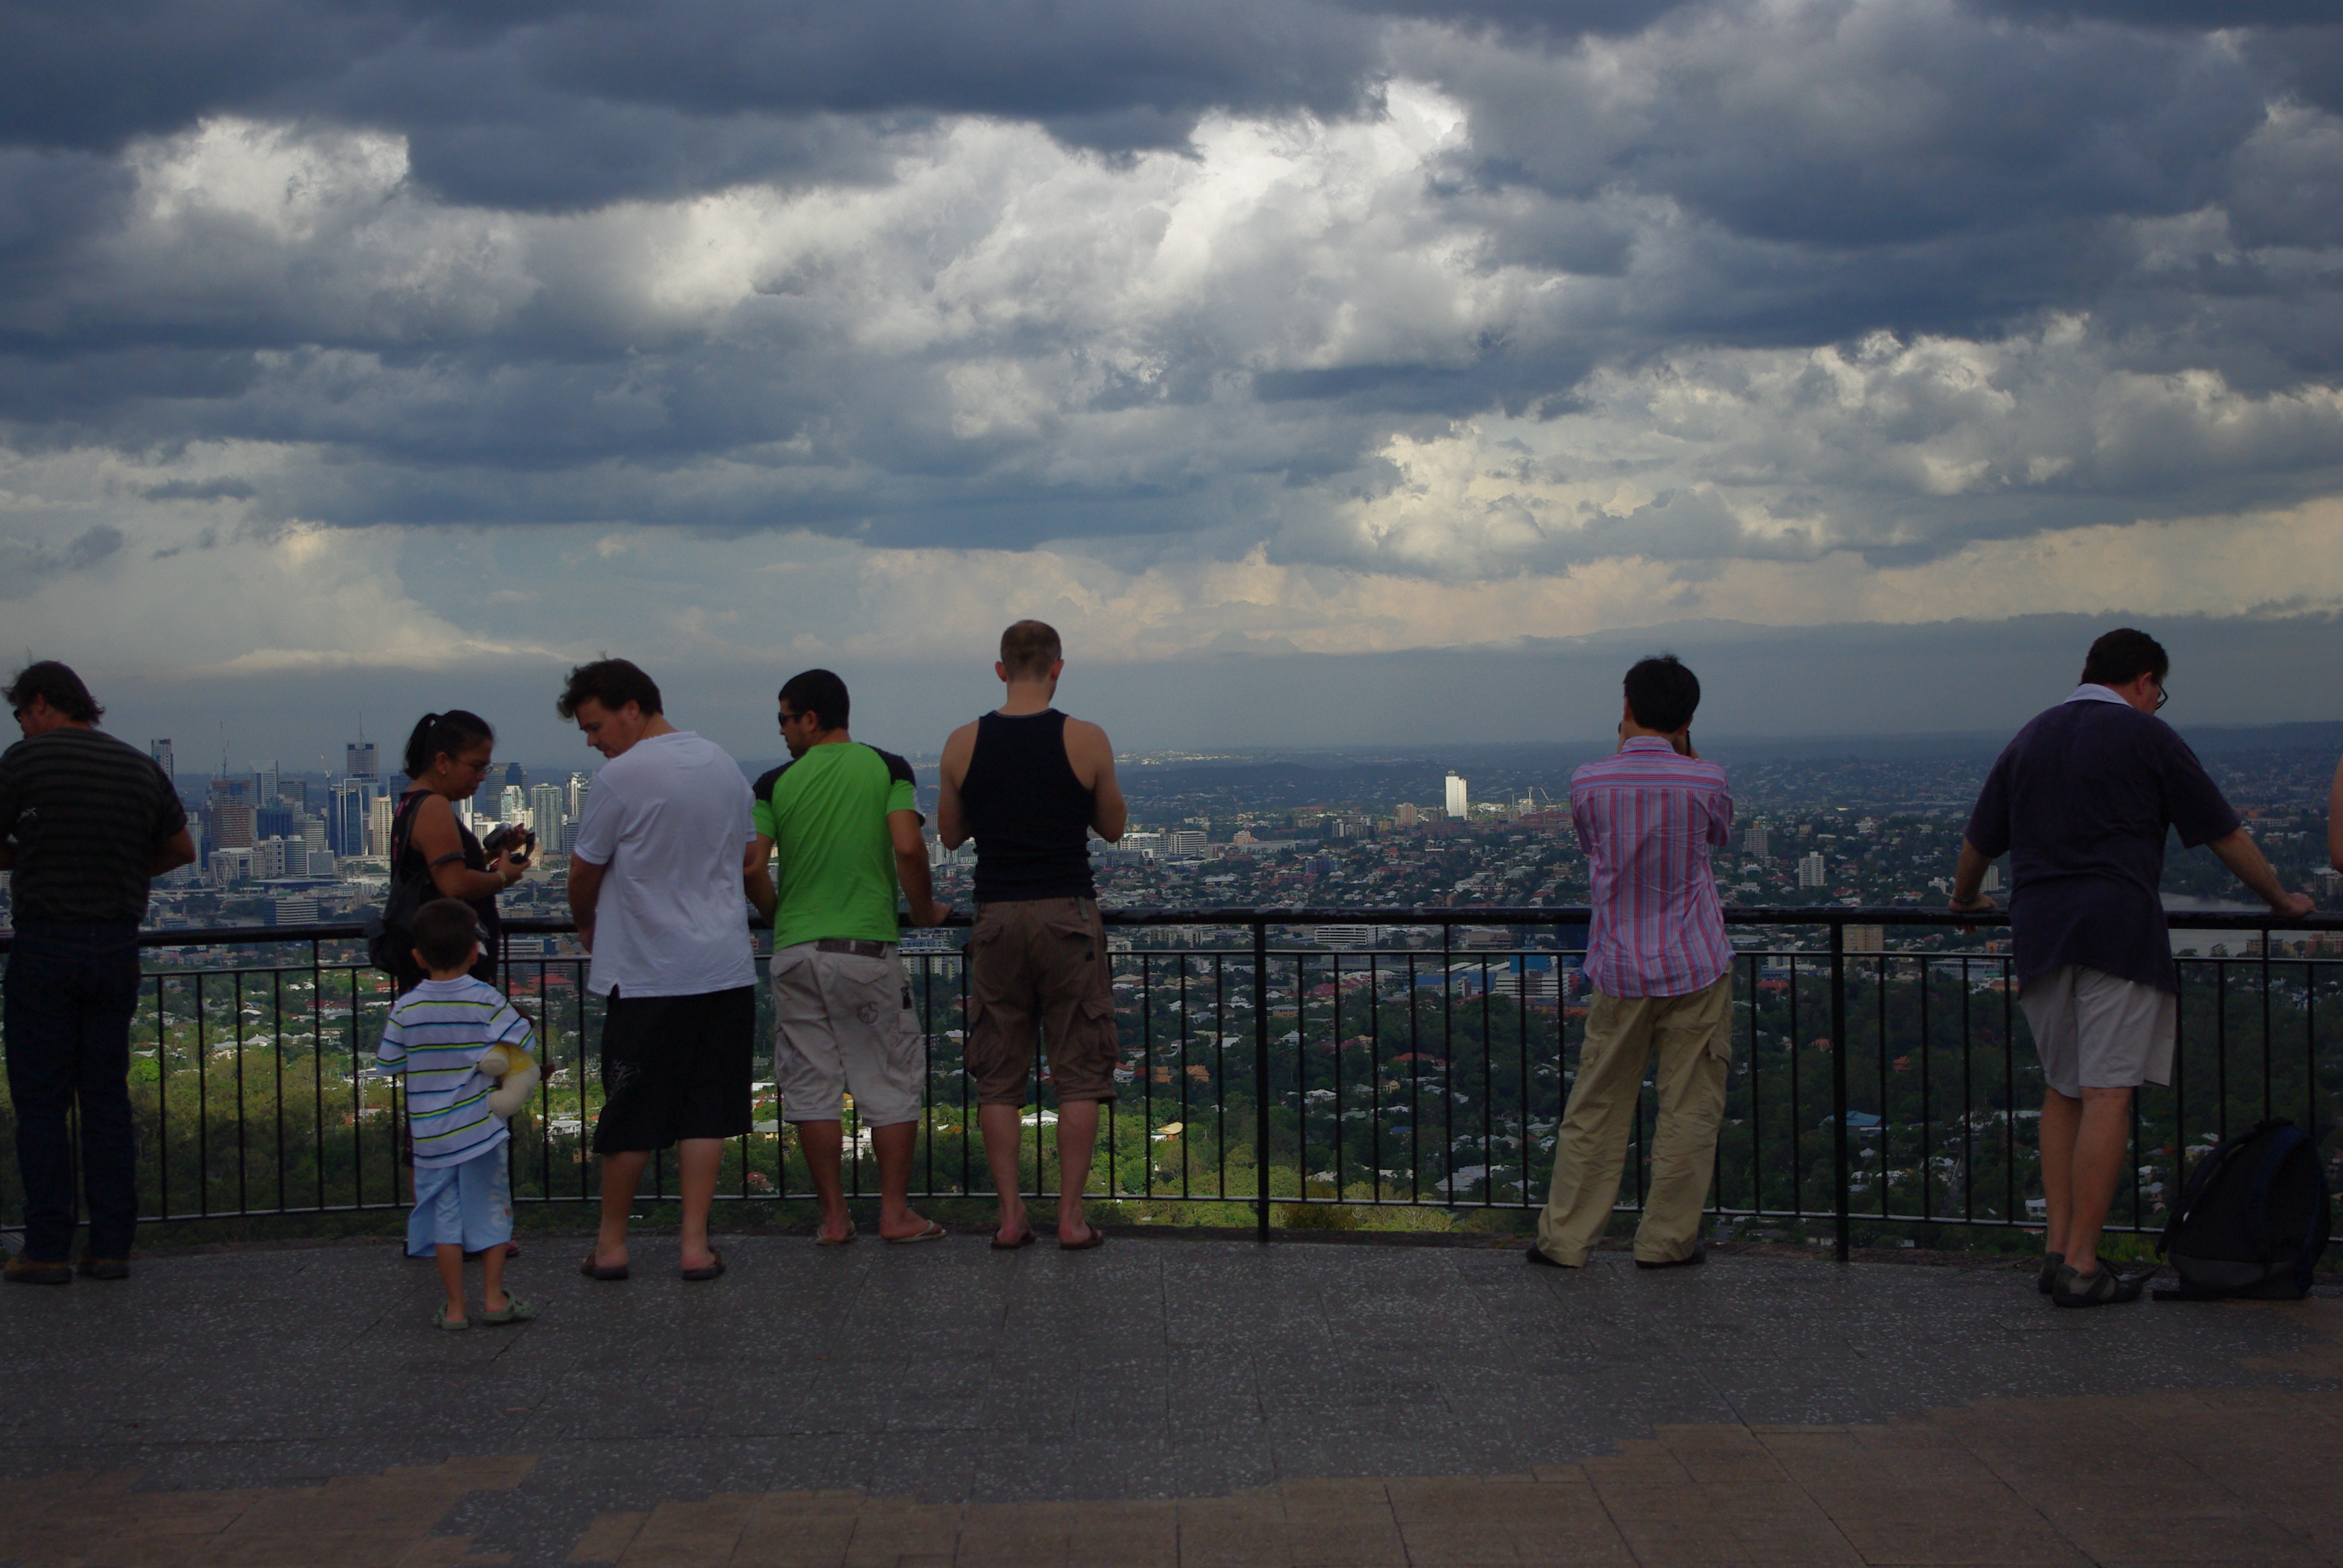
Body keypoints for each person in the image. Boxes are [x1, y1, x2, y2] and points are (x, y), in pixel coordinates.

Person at [1951, 628, 2313, 1307]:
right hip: (2116, 928)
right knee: (2108, 1092)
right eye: (2158, 692)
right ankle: (2084, 1265)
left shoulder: (2031, 736)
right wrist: (2279, 900)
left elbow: (1978, 843)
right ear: (2144, 680)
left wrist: (1963, 899)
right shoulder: (2148, 738)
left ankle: (2056, 1250)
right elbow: (2223, 834)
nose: (2156, 703)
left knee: (2062, 1089)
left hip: (2039, 929)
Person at [1530, 655, 1733, 1271]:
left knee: (1595, 1107)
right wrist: (1683, 751)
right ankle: (1666, 1242)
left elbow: (1590, 845)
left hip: (1619, 967)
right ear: (1688, 721)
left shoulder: (1588, 783)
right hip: (1696, 964)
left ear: (1625, 707)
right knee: (1689, 1109)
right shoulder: (1706, 780)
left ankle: (1566, 1240)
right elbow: (1718, 837)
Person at [560, 659, 760, 1283]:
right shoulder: (724, 765)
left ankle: (612, 1245)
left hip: (648, 971)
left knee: (631, 1109)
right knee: (707, 1110)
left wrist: (586, 923)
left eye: (595, 726)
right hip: (724, 967)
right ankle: (694, 1246)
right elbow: (749, 854)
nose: (593, 741)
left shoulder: (622, 778)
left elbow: (583, 870)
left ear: (631, 708)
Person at [0, 661, 194, 1284]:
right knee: (106, 1099)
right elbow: (182, 849)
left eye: (20, 714)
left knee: (41, 1103)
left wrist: (30, 855)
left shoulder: (24, 763)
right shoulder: (138, 767)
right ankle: (112, 1247)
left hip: (45, 945)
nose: (20, 726)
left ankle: (47, 1248)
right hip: (115, 947)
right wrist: (125, 869)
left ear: (40, 703)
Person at [936, 621, 1127, 1250]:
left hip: (996, 913)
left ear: (1000, 670)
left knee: (998, 1072)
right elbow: (1113, 827)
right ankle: (1070, 1218)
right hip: (1066, 912)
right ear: (1057, 668)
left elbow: (949, 835)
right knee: (1079, 1070)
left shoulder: (962, 742)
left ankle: (1010, 1216)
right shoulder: (1086, 738)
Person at [747, 670, 949, 1245]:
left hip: (794, 955)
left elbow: (753, 868)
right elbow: (907, 845)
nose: (782, 731)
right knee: (888, 1082)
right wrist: (925, 909)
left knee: (812, 1088)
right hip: (863, 951)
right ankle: (894, 1214)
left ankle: (834, 1219)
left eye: (785, 719)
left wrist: (781, 918)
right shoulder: (888, 768)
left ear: (810, 719)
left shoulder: (773, 783)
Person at [378, 898, 537, 1330]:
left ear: (418, 957)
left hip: (430, 1135)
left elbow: (390, 1063)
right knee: (491, 1209)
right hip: (480, 1128)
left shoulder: (407, 1008)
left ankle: (454, 1308)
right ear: (473, 952)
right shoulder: (486, 999)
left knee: (444, 1219)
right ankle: (494, 1298)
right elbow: (524, 1041)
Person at [384, 711, 531, 995]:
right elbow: (454, 884)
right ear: (442, 761)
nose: (481, 778)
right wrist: (503, 877)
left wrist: (495, 855)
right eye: (475, 767)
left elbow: (436, 873)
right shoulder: (433, 806)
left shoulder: (411, 803)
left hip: (436, 964)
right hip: (450, 970)